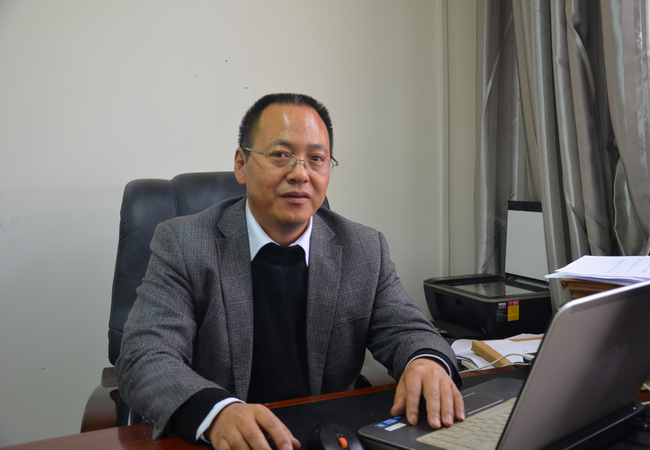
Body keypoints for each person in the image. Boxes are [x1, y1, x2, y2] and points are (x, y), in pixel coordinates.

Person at [116, 93, 465, 450]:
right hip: (228, 441)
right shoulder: (183, 243)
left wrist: (425, 361)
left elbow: (406, 328)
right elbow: (145, 354)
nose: (300, 174)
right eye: (281, 155)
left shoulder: (363, 247)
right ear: (241, 164)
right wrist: (217, 412)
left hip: (329, 436)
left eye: (316, 159)